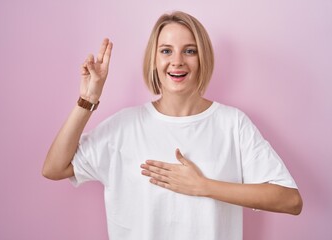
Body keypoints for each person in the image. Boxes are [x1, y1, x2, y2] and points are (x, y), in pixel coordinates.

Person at [42, 11, 303, 240]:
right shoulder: (124, 126)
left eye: (189, 51)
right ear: (154, 60)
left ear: (203, 59)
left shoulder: (232, 123)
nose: (177, 61)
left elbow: (290, 200)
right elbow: (54, 168)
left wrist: (203, 186)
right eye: (166, 50)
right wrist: (88, 99)